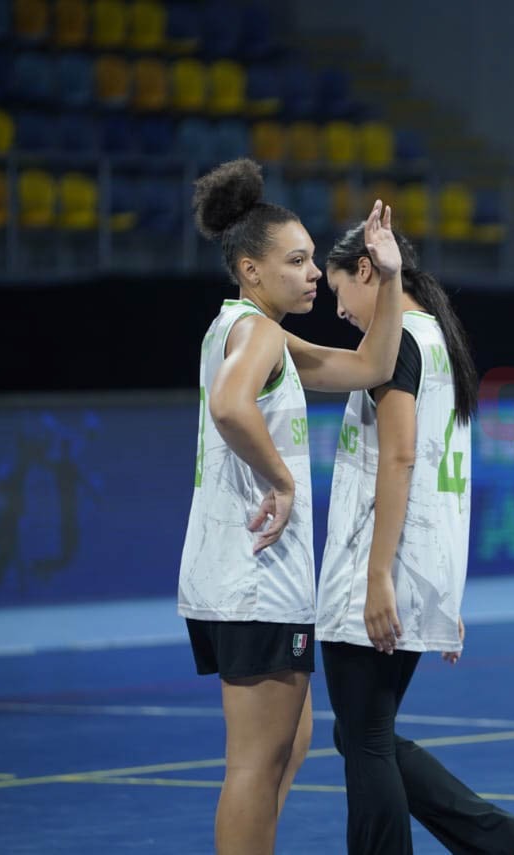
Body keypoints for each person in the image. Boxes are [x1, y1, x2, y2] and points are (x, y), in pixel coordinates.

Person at [299, 225, 514, 855]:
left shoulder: (399, 343)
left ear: (365, 271)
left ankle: (504, 842)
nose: (340, 311)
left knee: (365, 739)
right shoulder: (440, 340)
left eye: (339, 292)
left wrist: (378, 575)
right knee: (365, 733)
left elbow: (401, 457)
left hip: (380, 563)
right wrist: (435, 586)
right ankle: (507, 844)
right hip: (420, 563)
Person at [178, 158, 404, 855]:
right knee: (256, 762)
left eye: (312, 260)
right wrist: (281, 480)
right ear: (251, 269)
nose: (312, 273)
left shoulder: (247, 327)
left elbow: (370, 366)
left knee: (290, 743)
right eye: (297, 261)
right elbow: (229, 406)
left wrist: (391, 277)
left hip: (236, 575)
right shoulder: (258, 332)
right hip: (255, 578)